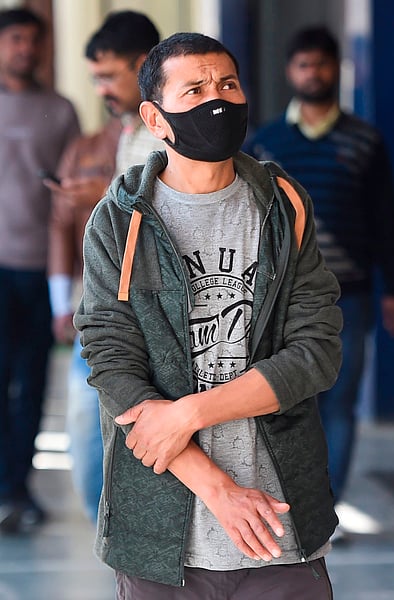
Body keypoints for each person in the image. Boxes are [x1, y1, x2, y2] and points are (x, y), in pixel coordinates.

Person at [73, 32, 341, 598]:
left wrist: (189, 413)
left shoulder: (283, 205)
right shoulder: (118, 223)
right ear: (156, 117)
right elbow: (113, 364)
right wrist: (217, 488)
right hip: (162, 537)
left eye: (227, 84)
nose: (216, 100)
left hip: (281, 524)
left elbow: (315, 353)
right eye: (193, 90)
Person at [247, 26, 394, 515]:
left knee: (340, 402)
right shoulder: (266, 142)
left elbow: (386, 219)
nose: (312, 73)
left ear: (336, 70)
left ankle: (323, 507)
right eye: (303, 64)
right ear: (289, 71)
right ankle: (290, 500)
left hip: (350, 296)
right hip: (282, 298)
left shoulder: (364, 140)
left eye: (321, 64)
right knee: (289, 400)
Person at [47, 9, 163, 523]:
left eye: (107, 76)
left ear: (142, 66)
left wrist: (108, 199)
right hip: (103, 310)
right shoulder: (125, 131)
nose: (100, 90)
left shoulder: (172, 135)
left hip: (150, 316)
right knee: (85, 439)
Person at [0, 7, 80, 534]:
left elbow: (72, 204)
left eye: (33, 40)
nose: (25, 48)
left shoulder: (61, 111)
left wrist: (67, 286)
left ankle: (16, 489)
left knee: (32, 385)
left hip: (40, 271)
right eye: (15, 39)